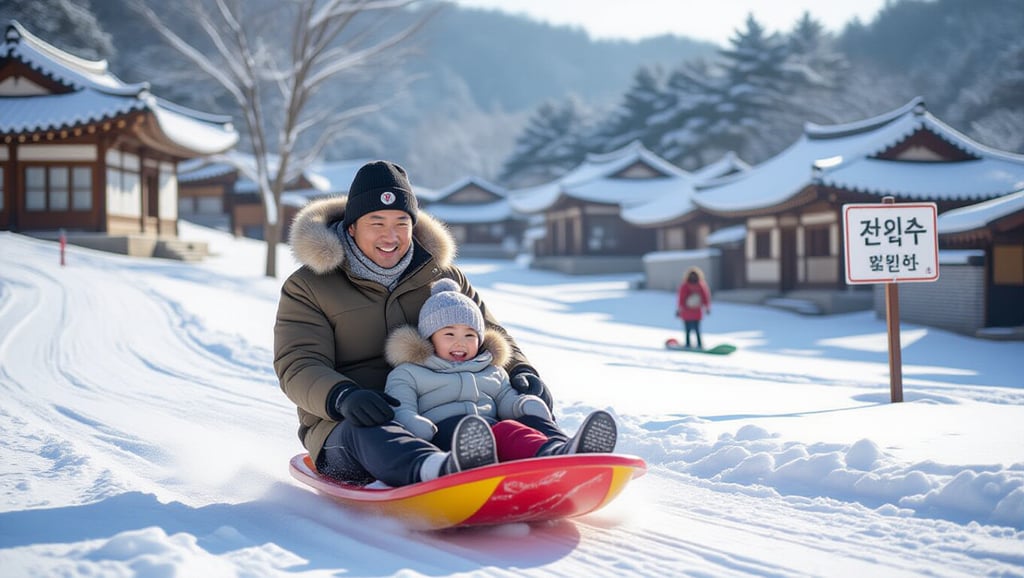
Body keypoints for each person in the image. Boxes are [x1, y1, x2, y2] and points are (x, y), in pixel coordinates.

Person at [274, 160, 602, 487]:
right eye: (377, 223)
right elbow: (298, 363)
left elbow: (487, 333)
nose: (390, 236)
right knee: (372, 429)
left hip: (441, 409)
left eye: (401, 223)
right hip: (353, 424)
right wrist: (343, 397)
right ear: (351, 228)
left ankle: (562, 454)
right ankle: (435, 471)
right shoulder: (310, 286)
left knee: (515, 410)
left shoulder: (442, 277)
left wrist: (521, 370)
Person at [384, 278, 617, 462]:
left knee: (527, 422)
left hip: (493, 433)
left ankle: (563, 450)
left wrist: (523, 405)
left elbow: (506, 399)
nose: (460, 343)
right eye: (449, 334)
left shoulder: (491, 370)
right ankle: (483, 457)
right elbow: (400, 408)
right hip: (441, 435)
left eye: (469, 335)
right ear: (429, 338)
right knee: (503, 430)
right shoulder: (409, 372)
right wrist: (413, 422)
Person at [675, 266, 711, 349]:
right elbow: (706, 297)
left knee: (688, 329)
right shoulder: (701, 285)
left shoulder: (685, 285)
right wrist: (707, 307)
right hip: (696, 311)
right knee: (697, 329)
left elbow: (681, 298)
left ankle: (688, 344)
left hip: (686, 311)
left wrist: (679, 309)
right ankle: (699, 344)